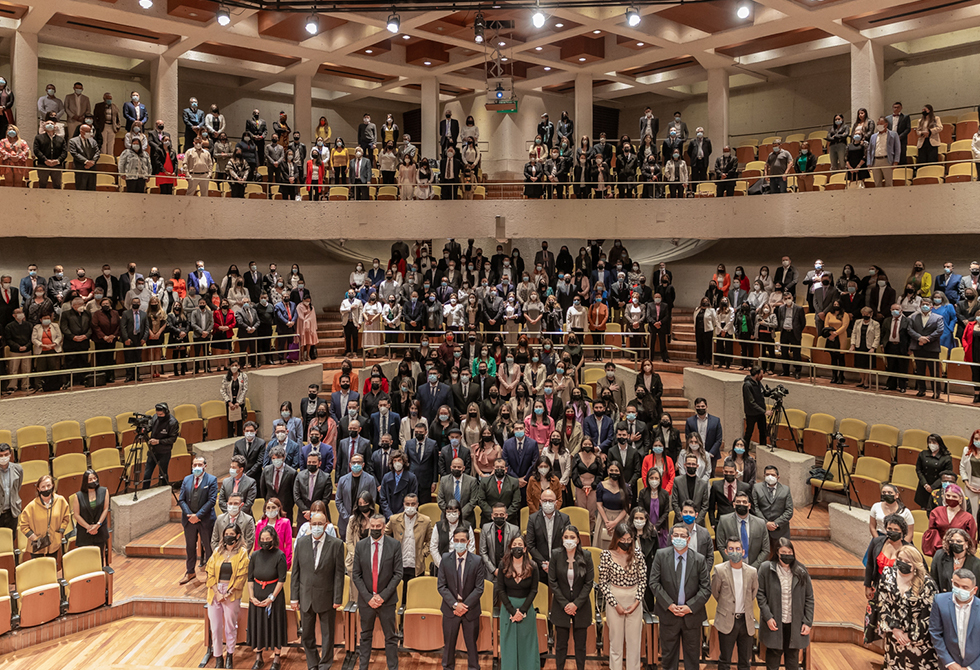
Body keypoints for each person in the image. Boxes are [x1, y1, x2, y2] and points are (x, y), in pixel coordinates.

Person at [648, 522, 710, 670]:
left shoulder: (699, 559)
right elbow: (654, 583)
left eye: (683, 536)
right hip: (668, 615)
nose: (679, 538)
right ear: (671, 538)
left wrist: (690, 607)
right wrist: (669, 605)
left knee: (692, 660)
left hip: (692, 617)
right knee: (668, 659)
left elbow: (706, 589)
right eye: (676, 535)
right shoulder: (661, 555)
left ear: (688, 539)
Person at [290, 509, 345, 670]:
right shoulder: (301, 543)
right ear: (310, 524)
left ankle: (325, 664)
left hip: (327, 597)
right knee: (307, 635)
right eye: (314, 524)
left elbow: (339, 575)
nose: (316, 526)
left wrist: (337, 598)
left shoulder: (336, 544)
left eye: (320, 524)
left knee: (327, 635)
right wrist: (294, 597)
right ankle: (313, 663)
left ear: (326, 525)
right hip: (305, 596)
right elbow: (295, 572)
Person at [351, 514, 402, 670]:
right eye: (372, 526)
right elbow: (356, 575)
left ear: (384, 527)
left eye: (378, 527)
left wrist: (382, 596)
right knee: (365, 637)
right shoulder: (361, 546)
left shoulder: (394, 545)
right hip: (366, 601)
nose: (374, 529)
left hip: (387, 601)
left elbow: (398, 574)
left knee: (391, 638)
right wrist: (368, 597)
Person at [757, 539, 814, 670]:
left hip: (794, 624)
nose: (787, 555)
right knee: (773, 660)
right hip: (774, 622)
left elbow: (809, 598)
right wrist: (768, 617)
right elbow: (760, 594)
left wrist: (807, 622)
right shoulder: (766, 568)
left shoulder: (801, 570)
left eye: (789, 552)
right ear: (777, 552)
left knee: (793, 661)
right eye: (784, 552)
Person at [437, 526, 486, 670]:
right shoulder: (445, 559)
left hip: (470, 610)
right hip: (450, 610)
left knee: (472, 647)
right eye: (456, 540)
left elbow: (479, 588)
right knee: (449, 647)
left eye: (462, 540)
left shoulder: (477, 561)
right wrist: (455, 605)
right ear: (453, 541)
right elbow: (441, 586)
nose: (459, 543)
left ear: (468, 542)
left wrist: (464, 606)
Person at [712, 536, 759, 670]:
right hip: (727, 619)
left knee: (745, 662)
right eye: (731, 549)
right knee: (725, 660)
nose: (735, 552)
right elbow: (716, 592)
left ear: (743, 552)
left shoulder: (752, 572)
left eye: (738, 549)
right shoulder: (719, 570)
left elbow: (753, 593)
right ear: (726, 552)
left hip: (745, 621)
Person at [550, 525, 593, 670]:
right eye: (566, 537)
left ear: (578, 539)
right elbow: (552, 582)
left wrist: (576, 604)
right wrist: (565, 604)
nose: (569, 540)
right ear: (562, 539)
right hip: (560, 605)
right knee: (561, 644)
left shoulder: (586, 556)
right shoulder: (556, 555)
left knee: (580, 645)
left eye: (572, 537)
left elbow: (588, 583)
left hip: (581, 606)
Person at [246, 525, 288, 670]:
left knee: (275, 624)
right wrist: (251, 597)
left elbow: (282, 579)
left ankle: (276, 658)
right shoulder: (255, 555)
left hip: (274, 595)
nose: (264, 541)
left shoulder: (279, 555)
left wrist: (272, 597)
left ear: (273, 539)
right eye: (262, 539)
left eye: (267, 539)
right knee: (258, 624)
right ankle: (259, 657)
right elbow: (250, 578)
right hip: (257, 594)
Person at [496, 534, 539, 670]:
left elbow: (534, 590)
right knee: (508, 645)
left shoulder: (533, 566)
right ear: (510, 548)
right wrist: (513, 611)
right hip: (508, 609)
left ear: (525, 549)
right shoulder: (503, 565)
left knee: (527, 645)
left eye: (520, 545)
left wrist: (522, 611)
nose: (517, 548)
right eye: (514, 545)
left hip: (526, 608)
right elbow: (501, 590)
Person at [930, 568, 980, 670]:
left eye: (965, 587)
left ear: (974, 590)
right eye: (956, 585)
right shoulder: (939, 601)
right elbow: (935, 633)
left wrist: (971, 668)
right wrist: (949, 662)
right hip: (948, 665)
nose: (960, 589)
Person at [178, 456, 218, 585]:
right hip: (189, 520)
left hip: (205, 520)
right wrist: (190, 515)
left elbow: (211, 501)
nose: (197, 467)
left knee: (209, 547)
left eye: (199, 464)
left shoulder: (211, 480)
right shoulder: (186, 479)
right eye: (194, 465)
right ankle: (190, 572)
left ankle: (210, 574)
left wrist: (198, 515)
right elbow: (181, 500)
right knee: (190, 547)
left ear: (205, 466)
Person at [19, 474, 71, 561]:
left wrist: (60, 531)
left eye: (48, 485)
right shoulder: (31, 507)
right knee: (39, 568)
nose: (46, 489)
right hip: (37, 545)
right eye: (43, 487)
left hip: (54, 542)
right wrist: (35, 538)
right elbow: (23, 526)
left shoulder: (61, 501)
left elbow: (66, 518)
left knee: (52, 565)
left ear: (53, 486)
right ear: (38, 489)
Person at [924, 484, 976, 557]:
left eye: (954, 496)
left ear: (961, 499)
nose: (950, 498)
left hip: (960, 554)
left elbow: (971, 539)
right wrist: (942, 548)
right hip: (939, 552)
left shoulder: (968, 517)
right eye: (948, 496)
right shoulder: (936, 512)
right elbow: (932, 534)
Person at [70, 470, 110, 563]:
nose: (93, 481)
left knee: (99, 558)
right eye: (90, 479)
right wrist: (88, 527)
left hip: (100, 530)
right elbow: (76, 515)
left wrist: (98, 525)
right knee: (85, 559)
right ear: (85, 481)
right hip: (84, 531)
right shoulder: (78, 496)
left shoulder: (104, 491)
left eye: (95, 478)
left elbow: (105, 509)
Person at [908, 299, 944, 398]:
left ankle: (936, 391)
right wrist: (919, 338)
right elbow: (909, 329)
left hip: (932, 348)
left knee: (934, 371)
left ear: (931, 306)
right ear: (920, 306)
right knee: (920, 370)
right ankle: (921, 390)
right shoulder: (913, 317)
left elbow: (940, 330)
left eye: (927, 304)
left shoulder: (938, 318)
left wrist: (927, 339)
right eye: (923, 304)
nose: (925, 306)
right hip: (918, 347)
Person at [752, 465, 794, 549]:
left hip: (780, 530)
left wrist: (776, 523)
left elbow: (789, 510)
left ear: (778, 477)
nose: (770, 477)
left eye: (773, 475)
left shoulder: (786, 490)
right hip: (762, 529)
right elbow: (755, 508)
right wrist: (766, 523)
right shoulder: (756, 488)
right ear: (764, 476)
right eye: (767, 474)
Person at [143, 403, 181, 489]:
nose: (159, 416)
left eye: (161, 414)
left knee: (163, 474)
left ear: (166, 412)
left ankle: (164, 491)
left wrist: (158, 441)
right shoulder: (155, 417)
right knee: (147, 474)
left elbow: (172, 439)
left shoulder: (172, 422)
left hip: (164, 452)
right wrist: (144, 429)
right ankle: (145, 492)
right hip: (153, 450)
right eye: (157, 414)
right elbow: (150, 427)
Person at [930, 528, 980, 593]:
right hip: (943, 596)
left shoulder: (977, 564)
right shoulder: (940, 556)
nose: (955, 543)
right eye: (952, 541)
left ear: (967, 544)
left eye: (959, 541)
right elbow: (933, 580)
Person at [916, 435, 953, 510]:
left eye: (934, 442)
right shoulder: (923, 454)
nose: (931, 444)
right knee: (923, 508)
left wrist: (932, 487)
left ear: (939, 444)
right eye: (929, 442)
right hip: (924, 486)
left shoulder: (946, 458)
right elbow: (918, 470)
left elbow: (946, 474)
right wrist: (925, 484)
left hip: (937, 487)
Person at [684, 397, 723, 465]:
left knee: (711, 471)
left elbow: (718, 439)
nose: (700, 408)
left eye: (702, 406)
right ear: (695, 407)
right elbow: (688, 437)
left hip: (711, 454)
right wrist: (694, 451)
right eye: (698, 406)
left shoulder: (716, 421)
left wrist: (711, 453)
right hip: (695, 454)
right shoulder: (690, 421)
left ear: (706, 407)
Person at [742, 364, 770, 446]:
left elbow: (764, 393)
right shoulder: (747, 385)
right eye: (761, 374)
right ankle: (744, 451)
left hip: (760, 412)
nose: (762, 376)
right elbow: (751, 402)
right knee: (749, 433)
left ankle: (762, 449)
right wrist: (764, 411)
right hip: (751, 413)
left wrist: (772, 392)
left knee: (763, 432)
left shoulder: (758, 383)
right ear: (757, 374)